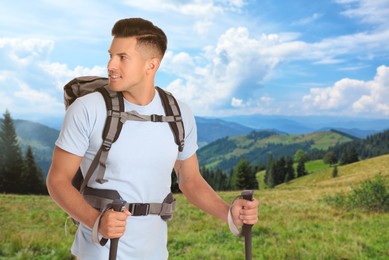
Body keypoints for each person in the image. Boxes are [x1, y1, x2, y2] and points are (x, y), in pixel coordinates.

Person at [46, 17, 259, 260]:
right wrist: (97, 221)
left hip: (156, 253)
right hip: (98, 253)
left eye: (122, 57)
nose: (110, 65)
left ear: (151, 65)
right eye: (111, 55)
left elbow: (190, 180)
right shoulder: (87, 109)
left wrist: (230, 214)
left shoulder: (178, 113)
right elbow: (58, 181)